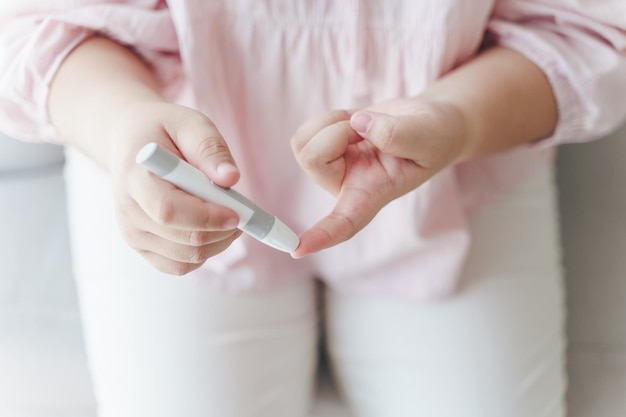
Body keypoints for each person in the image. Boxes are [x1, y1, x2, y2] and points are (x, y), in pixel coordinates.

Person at [1, 1, 625, 416]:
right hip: (165, 169)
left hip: (463, 161)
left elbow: (587, 28)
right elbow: (43, 24)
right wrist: (123, 127)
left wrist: (457, 121)